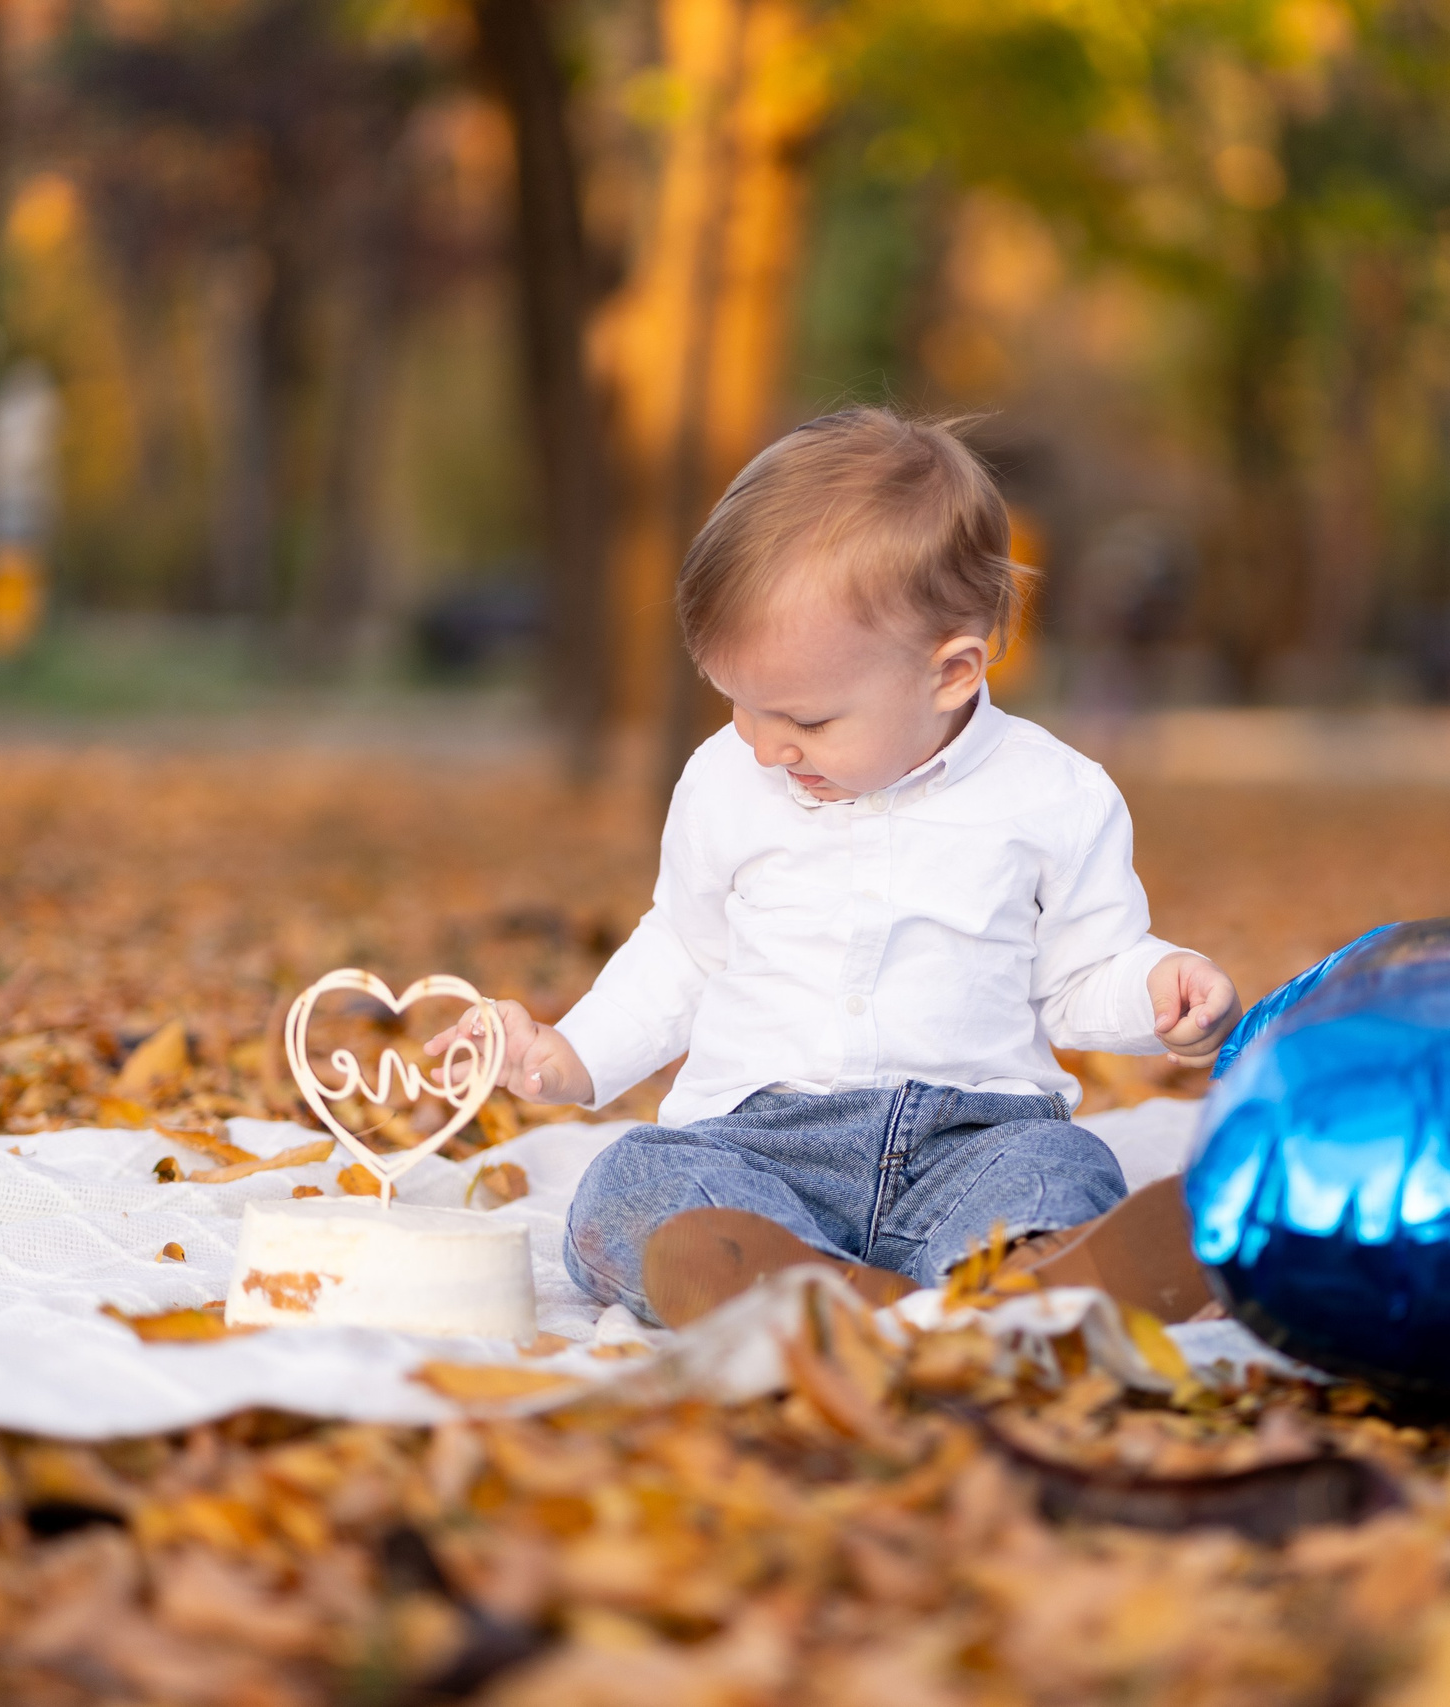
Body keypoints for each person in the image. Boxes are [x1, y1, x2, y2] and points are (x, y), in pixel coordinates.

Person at [438, 409, 1240, 1327]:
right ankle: (792, 1283)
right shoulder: (724, 781)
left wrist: (1159, 993)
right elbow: (687, 951)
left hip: (971, 1141)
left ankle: (1033, 1271)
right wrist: (571, 1054)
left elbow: (1082, 973)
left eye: (806, 720)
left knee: (1063, 1170)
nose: (765, 742)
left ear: (951, 674)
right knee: (629, 1183)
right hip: (758, 1148)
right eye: (740, 702)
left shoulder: (1055, 794)